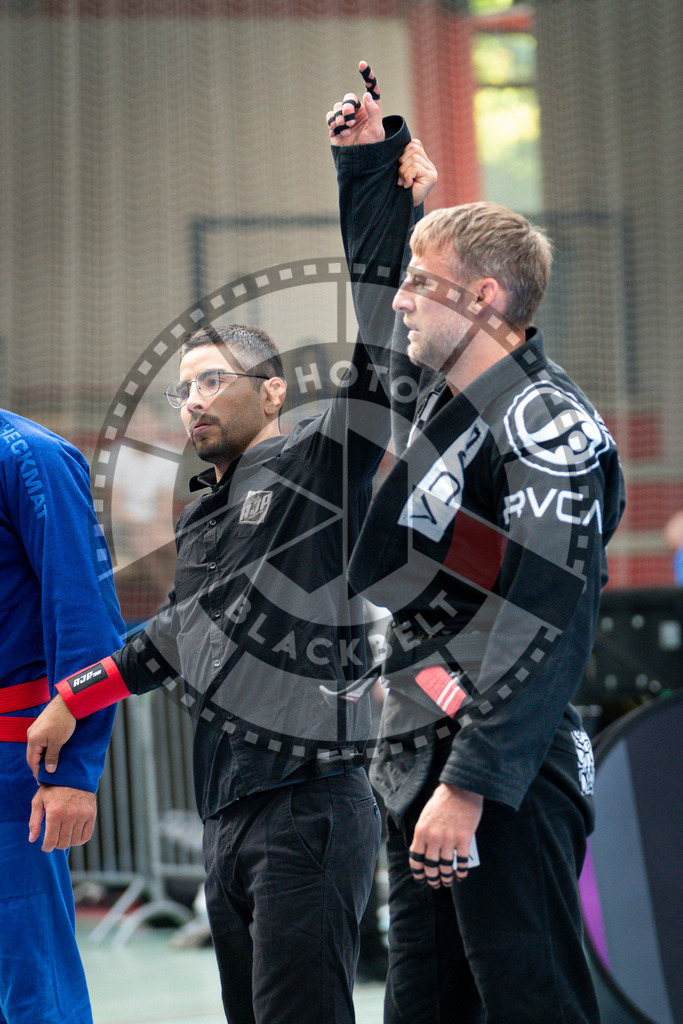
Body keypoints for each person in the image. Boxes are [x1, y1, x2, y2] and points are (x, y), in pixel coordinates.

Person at [27, 68, 437, 1024]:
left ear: (275, 391)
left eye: (216, 381)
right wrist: (79, 691)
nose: (195, 400)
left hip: (309, 801)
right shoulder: (206, 507)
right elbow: (185, 628)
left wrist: (365, 169)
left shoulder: (316, 467)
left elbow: (381, 347)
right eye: (183, 388)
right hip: (230, 812)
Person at [328, 70, 626, 1023]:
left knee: (528, 1003)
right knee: (425, 1005)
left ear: (486, 296)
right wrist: (373, 166)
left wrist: (467, 786)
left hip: (504, 771)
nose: (404, 299)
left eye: (429, 284)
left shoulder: (544, 424)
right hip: (421, 753)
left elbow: (545, 618)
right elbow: (384, 299)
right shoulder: (447, 392)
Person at [0, 409, 124, 1024]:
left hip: (14, 768)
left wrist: (73, 771)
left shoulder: (29, 457)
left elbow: (85, 620)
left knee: (29, 976)